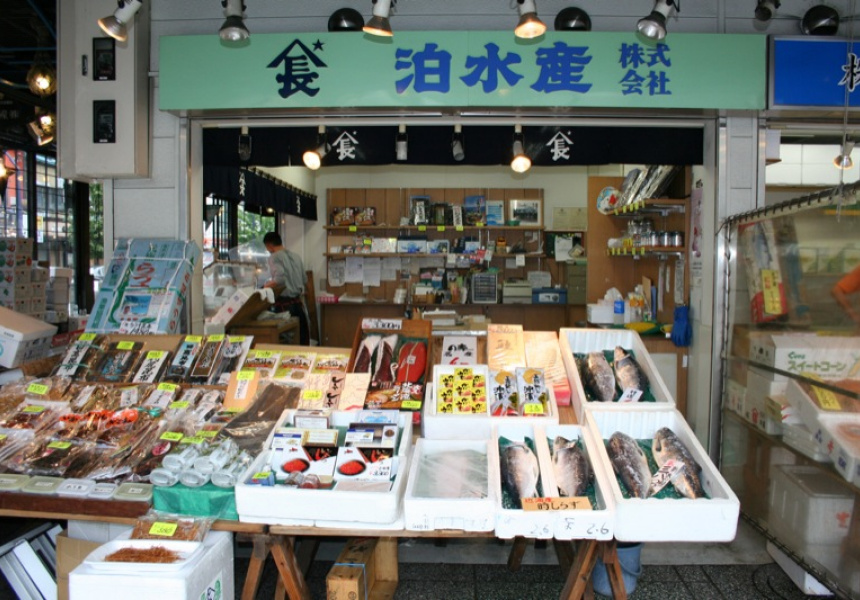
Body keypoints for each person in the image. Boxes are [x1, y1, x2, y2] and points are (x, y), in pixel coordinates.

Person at [263, 232, 310, 345]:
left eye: (266, 247)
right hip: (298, 304)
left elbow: (280, 279)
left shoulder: (274, 257)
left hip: (285, 306)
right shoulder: (296, 256)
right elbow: (304, 279)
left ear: (269, 245)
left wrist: (265, 287)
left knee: (287, 342)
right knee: (301, 339)